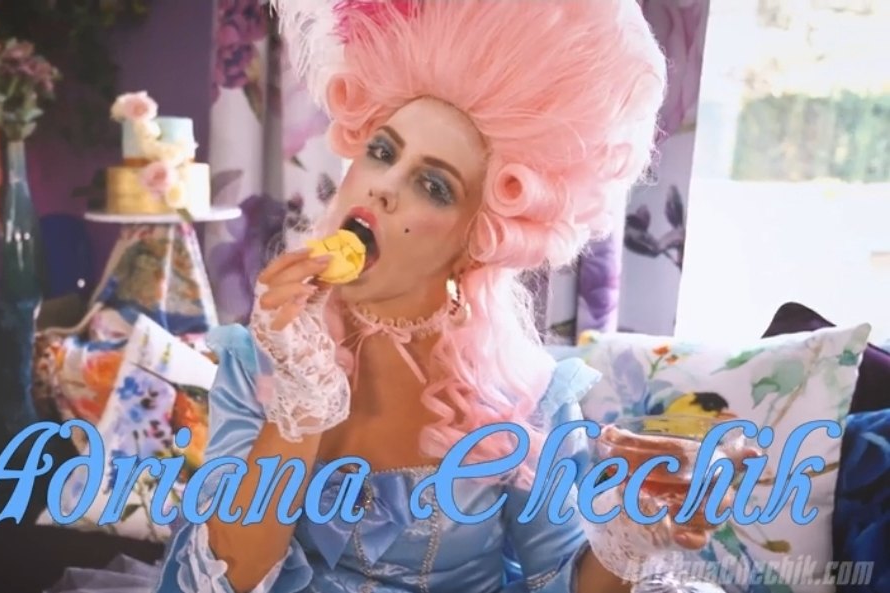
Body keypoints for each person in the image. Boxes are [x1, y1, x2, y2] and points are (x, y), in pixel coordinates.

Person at [46, 1, 737, 592]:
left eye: (432, 185)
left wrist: (627, 534)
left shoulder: (529, 398)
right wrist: (300, 403)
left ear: (479, 235)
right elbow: (221, 578)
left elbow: (557, 582)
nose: (381, 186)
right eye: (382, 151)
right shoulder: (261, 358)